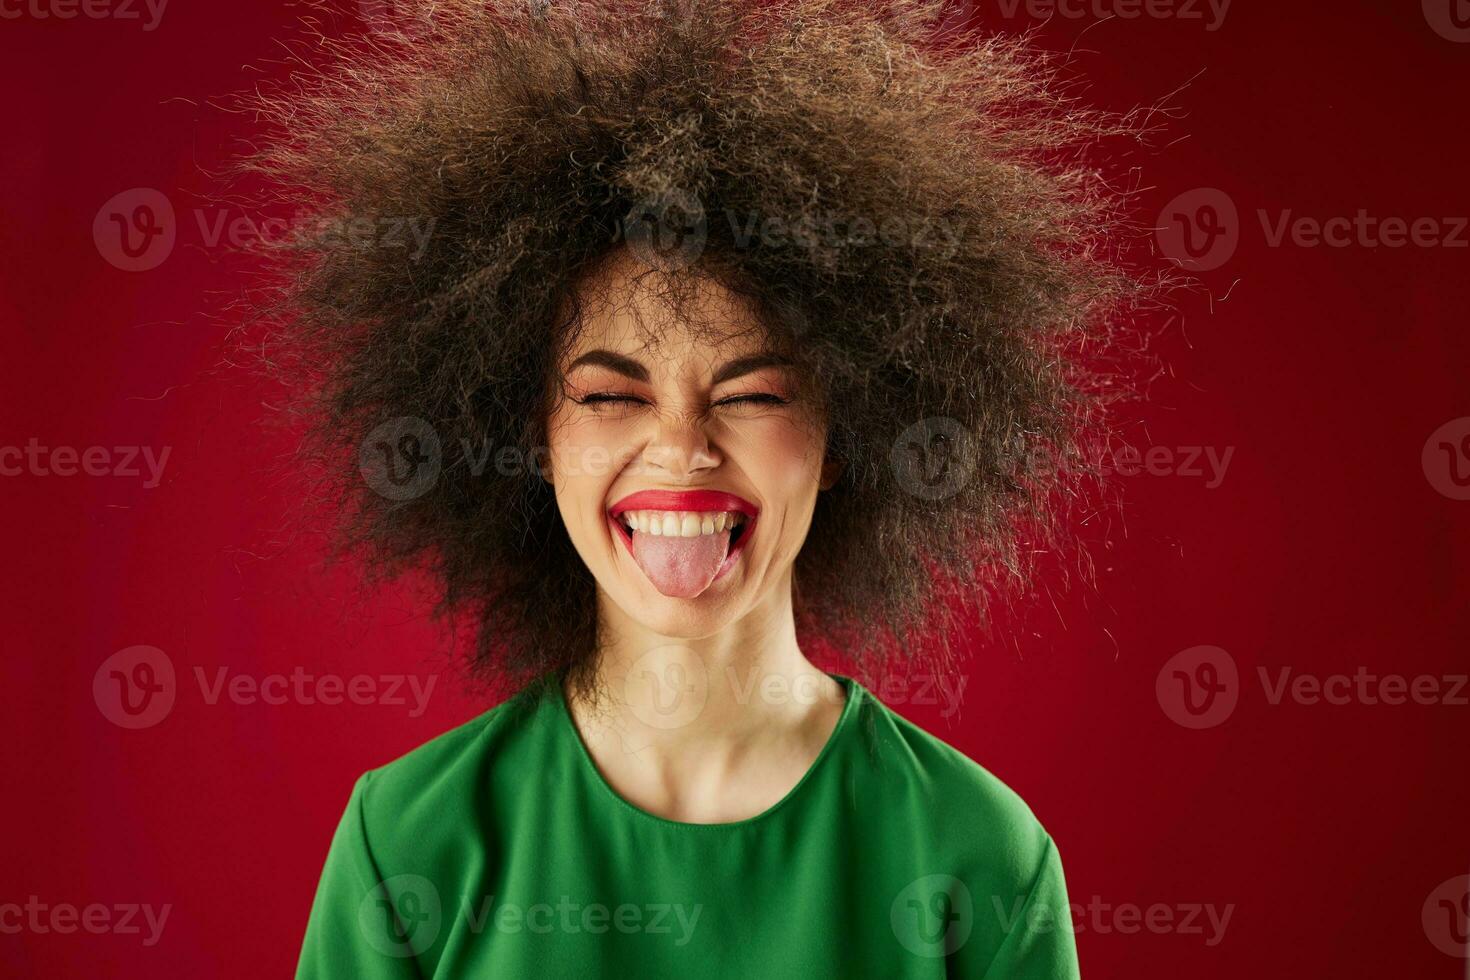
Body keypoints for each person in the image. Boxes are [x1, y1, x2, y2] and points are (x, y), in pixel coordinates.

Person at [244, 1, 1144, 975]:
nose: (681, 447)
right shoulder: (410, 843)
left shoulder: (979, 857)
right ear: (531, 435)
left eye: (751, 392)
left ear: (847, 430)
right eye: (607, 394)